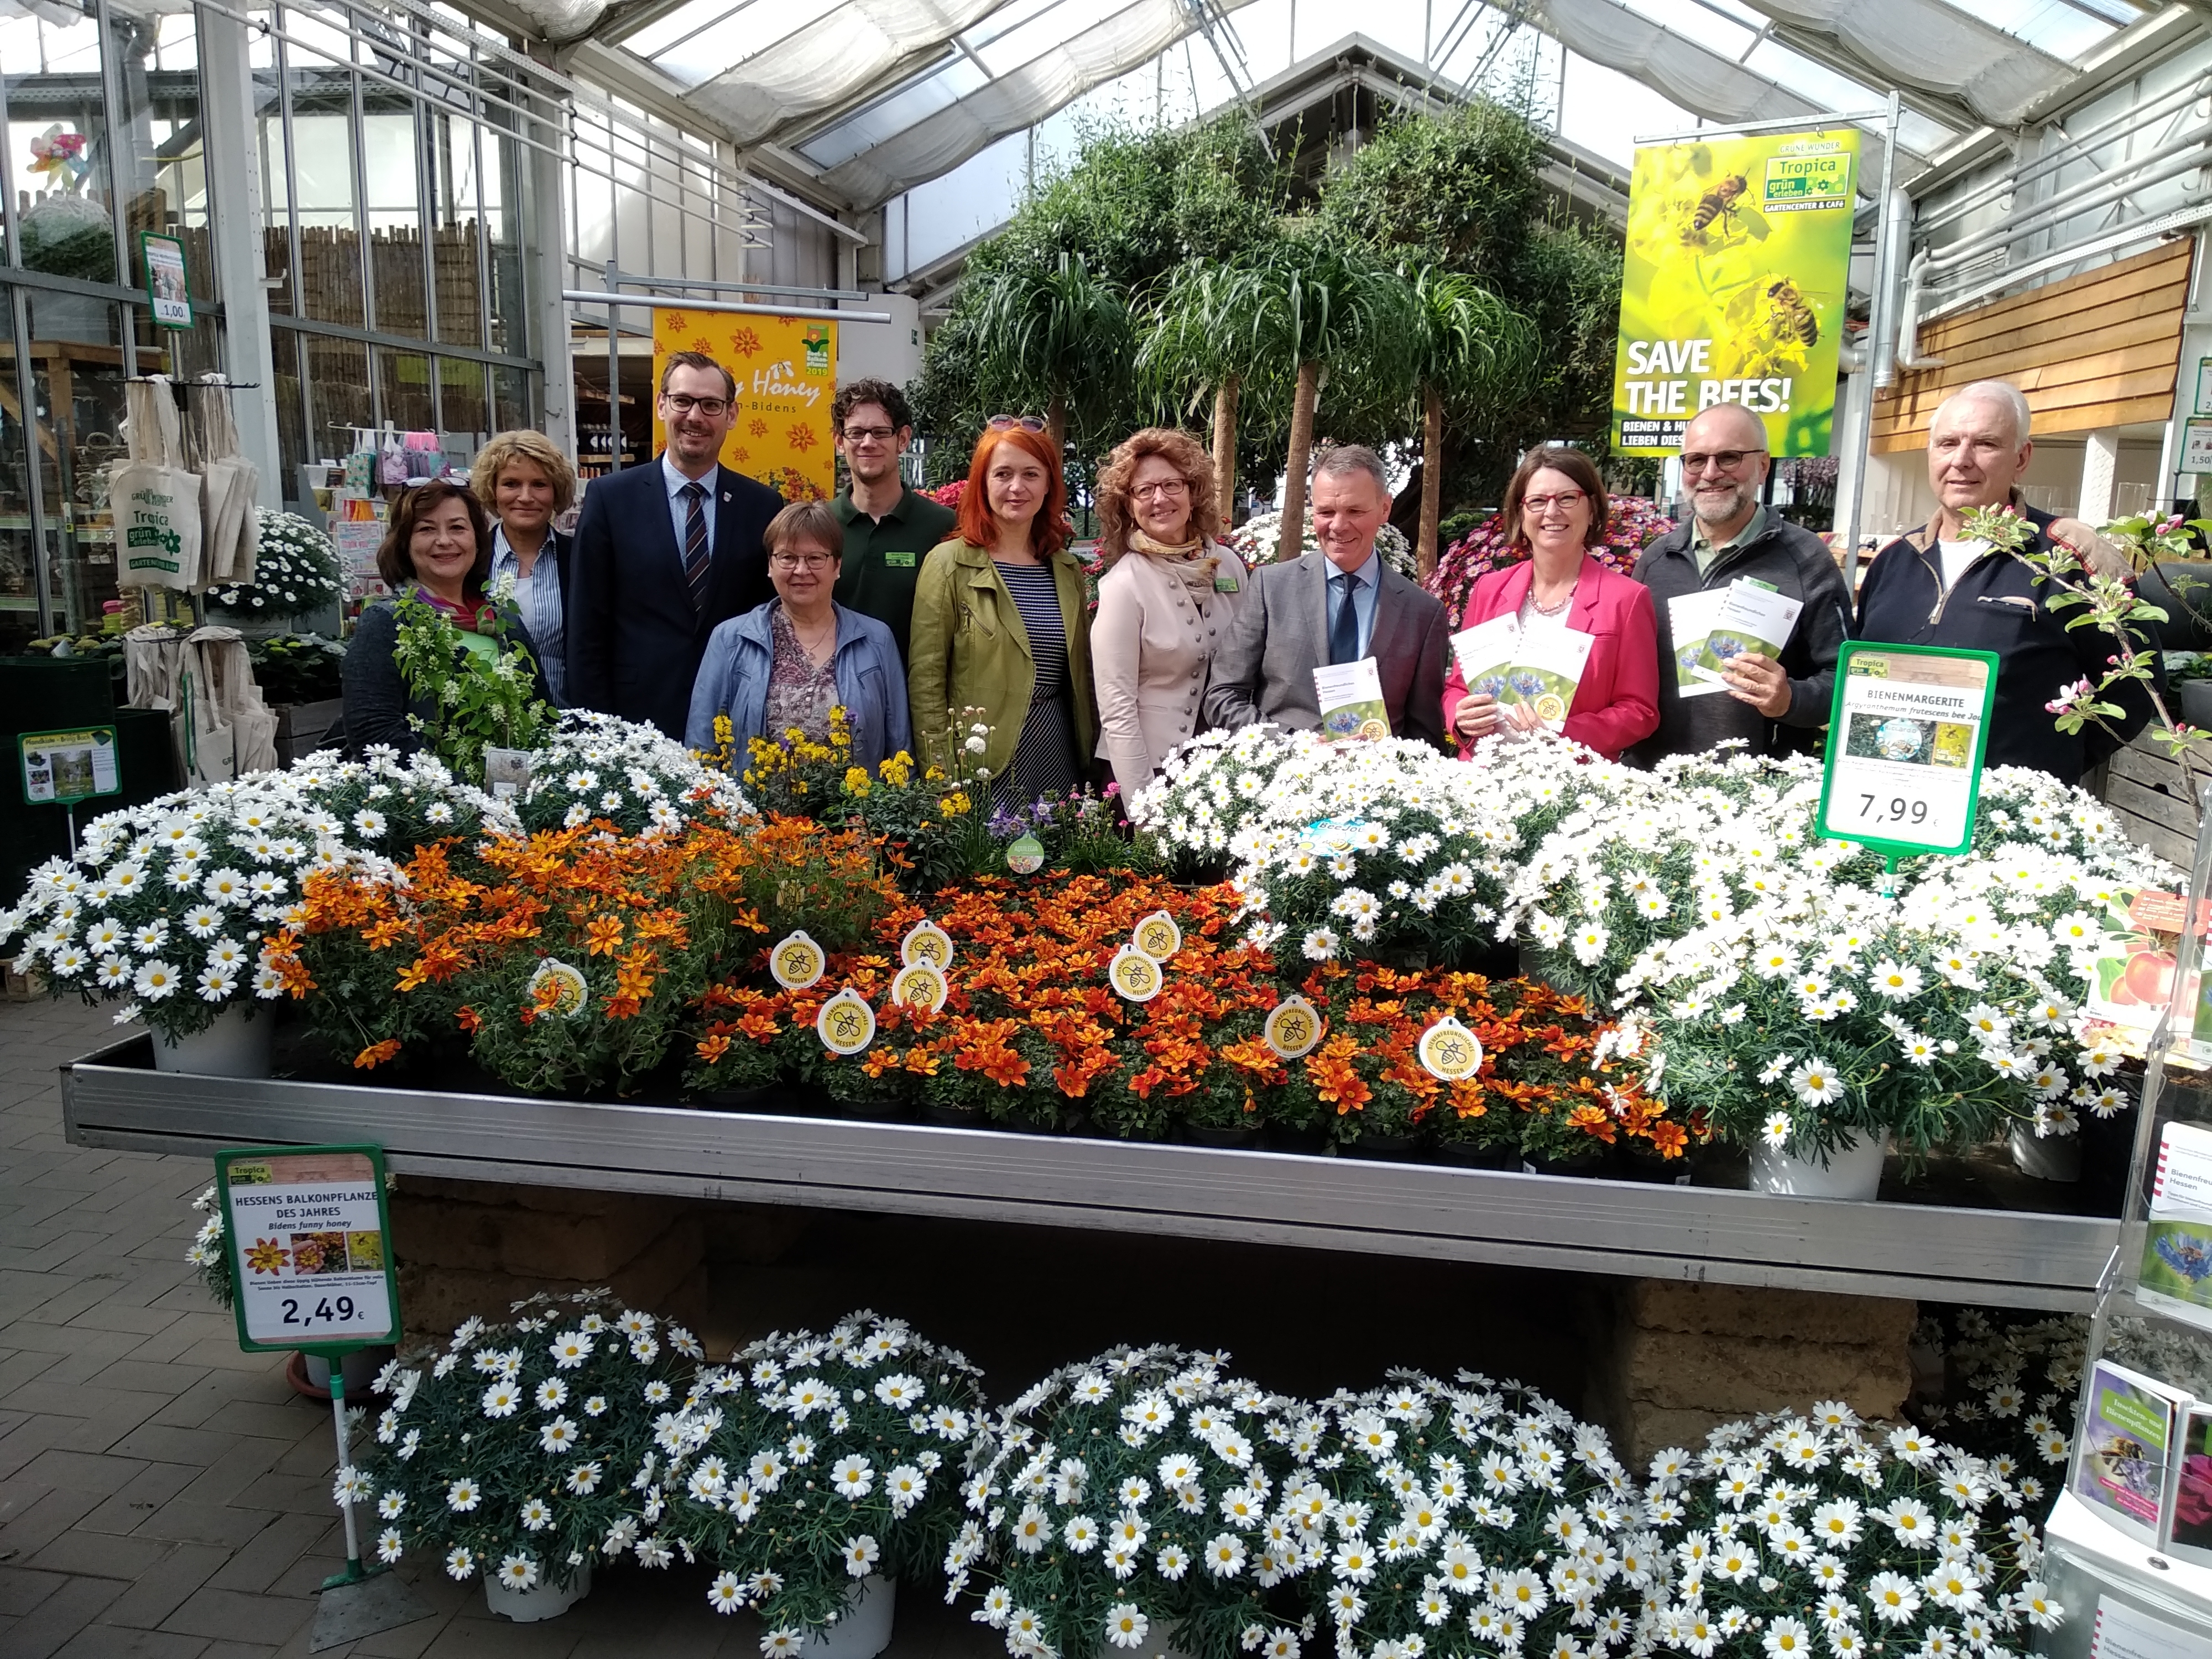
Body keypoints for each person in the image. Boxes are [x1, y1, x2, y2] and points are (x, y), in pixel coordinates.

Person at [1857, 379, 2154, 785]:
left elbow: (2136, 688)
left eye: (1986, 444)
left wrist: (2046, 770)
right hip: (1895, 800)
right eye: (1947, 443)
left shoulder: (2072, 556)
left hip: (2012, 820)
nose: (1961, 460)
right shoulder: (1895, 560)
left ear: (2022, 457)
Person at [565, 351, 784, 740]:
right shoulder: (610, 499)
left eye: (711, 405)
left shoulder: (763, 505)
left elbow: (769, 619)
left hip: (733, 719)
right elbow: (587, 627)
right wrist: (595, 732)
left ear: (731, 415)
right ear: (663, 406)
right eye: (683, 401)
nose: (695, 416)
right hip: (633, 723)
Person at [1630, 403, 1851, 765]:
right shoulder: (1656, 560)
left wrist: (1790, 700)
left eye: (1730, 457)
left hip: (1754, 792)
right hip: (1653, 782)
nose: (1711, 473)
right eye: (1696, 460)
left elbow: (1845, 678)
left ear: (1763, 466)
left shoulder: (1806, 559)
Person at [1201, 445, 1450, 748]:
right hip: (1283, 781)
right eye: (1326, 512)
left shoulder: (1422, 612)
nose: (1338, 526)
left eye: (1355, 511)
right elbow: (1222, 696)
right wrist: (1292, 746)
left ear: (1385, 508)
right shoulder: (1271, 587)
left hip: (1378, 785)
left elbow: (1425, 734)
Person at [907, 418, 1097, 805]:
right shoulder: (948, 565)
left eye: (1031, 474)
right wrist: (941, 776)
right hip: (982, 764)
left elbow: (1083, 673)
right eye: (1003, 474)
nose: (1017, 487)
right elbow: (926, 682)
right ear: (983, 483)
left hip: (1057, 753)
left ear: (1048, 485)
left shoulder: (1065, 569)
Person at [1443, 445, 1660, 763]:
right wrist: (1460, 718)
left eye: (1568, 498)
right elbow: (1457, 688)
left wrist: (1564, 734)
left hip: (1573, 786)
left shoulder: (1626, 600)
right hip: (1482, 780)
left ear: (1592, 510)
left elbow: (1640, 711)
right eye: (1538, 501)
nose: (1552, 512)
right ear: (1521, 513)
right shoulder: (1489, 589)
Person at [685, 500, 911, 772]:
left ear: (837, 566)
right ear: (770, 565)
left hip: (853, 811)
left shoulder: (876, 640)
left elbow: (900, 747)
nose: (801, 571)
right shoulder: (730, 639)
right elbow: (701, 747)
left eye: (816, 558)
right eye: (788, 558)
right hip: (755, 813)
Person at [1090, 428, 1250, 795]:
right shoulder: (1123, 586)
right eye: (1143, 490)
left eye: (1171, 485)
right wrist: (1143, 803)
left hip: (1222, 769)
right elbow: (1117, 710)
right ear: (1128, 505)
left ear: (1192, 492)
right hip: (1150, 772)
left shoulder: (1228, 566)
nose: (1159, 499)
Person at [340, 481, 550, 755]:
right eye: (426, 529)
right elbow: (373, 731)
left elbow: (542, 711)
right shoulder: (386, 623)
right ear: (405, 544)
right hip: (429, 794)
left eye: (458, 528)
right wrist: (459, 790)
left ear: (476, 539)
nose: (444, 541)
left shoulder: (502, 619)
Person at [829, 377, 957, 666]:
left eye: (880, 432)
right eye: (856, 432)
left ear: (903, 439)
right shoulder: (820, 526)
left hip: (915, 699)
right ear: (839, 441)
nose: (868, 443)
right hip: (832, 701)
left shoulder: (944, 527)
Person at [470, 429, 575, 706]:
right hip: (490, 724)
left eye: (539, 485)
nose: (525, 497)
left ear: (556, 492)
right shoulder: (470, 562)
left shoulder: (580, 560)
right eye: (512, 484)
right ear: (492, 491)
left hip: (569, 723)